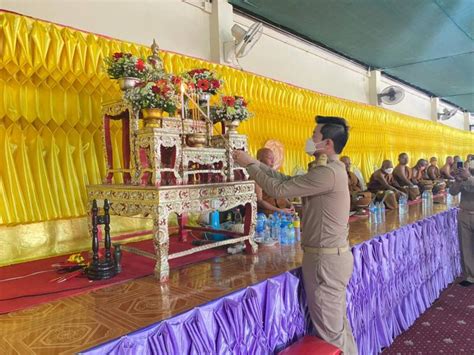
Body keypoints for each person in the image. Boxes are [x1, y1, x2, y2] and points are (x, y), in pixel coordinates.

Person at [233, 116, 357, 354]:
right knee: (337, 328)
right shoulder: (329, 170)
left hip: (325, 261)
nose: (310, 139)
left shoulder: (327, 173)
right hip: (328, 258)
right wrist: (255, 163)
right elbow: (286, 179)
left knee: (330, 335)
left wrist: (249, 165)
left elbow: (277, 189)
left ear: (327, 144)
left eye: (315, 135)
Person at [450, 166, 474, 287]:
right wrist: (458, 180)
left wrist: (468, 178)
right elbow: (452, 192)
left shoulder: (469, 177)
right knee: (466, 246)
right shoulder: (465, 177)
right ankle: (470, 276)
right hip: (464, 214)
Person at [254, 148, 294, 215]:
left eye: (273, 158)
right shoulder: (256, 176)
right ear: (259, 160)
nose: (273, 161)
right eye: (270, 158)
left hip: (283, 211)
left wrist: (290, 205)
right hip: (268, 215)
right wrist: (279, 210)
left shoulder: (274, 174)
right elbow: (259, 201)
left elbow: (281, 194)